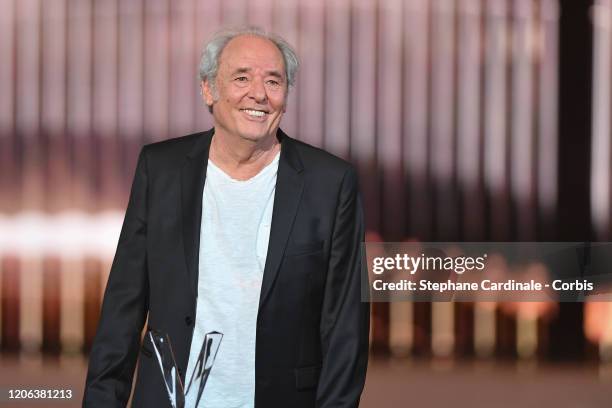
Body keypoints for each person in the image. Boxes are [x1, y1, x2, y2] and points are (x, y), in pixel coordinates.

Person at [83, 26, 369, 408]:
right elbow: (124, 307)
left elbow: (345, 328)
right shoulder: (162, 169)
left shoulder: (330, 183)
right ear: (208, 89)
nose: (258, 94)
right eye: (241, 78)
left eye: (273, 80)